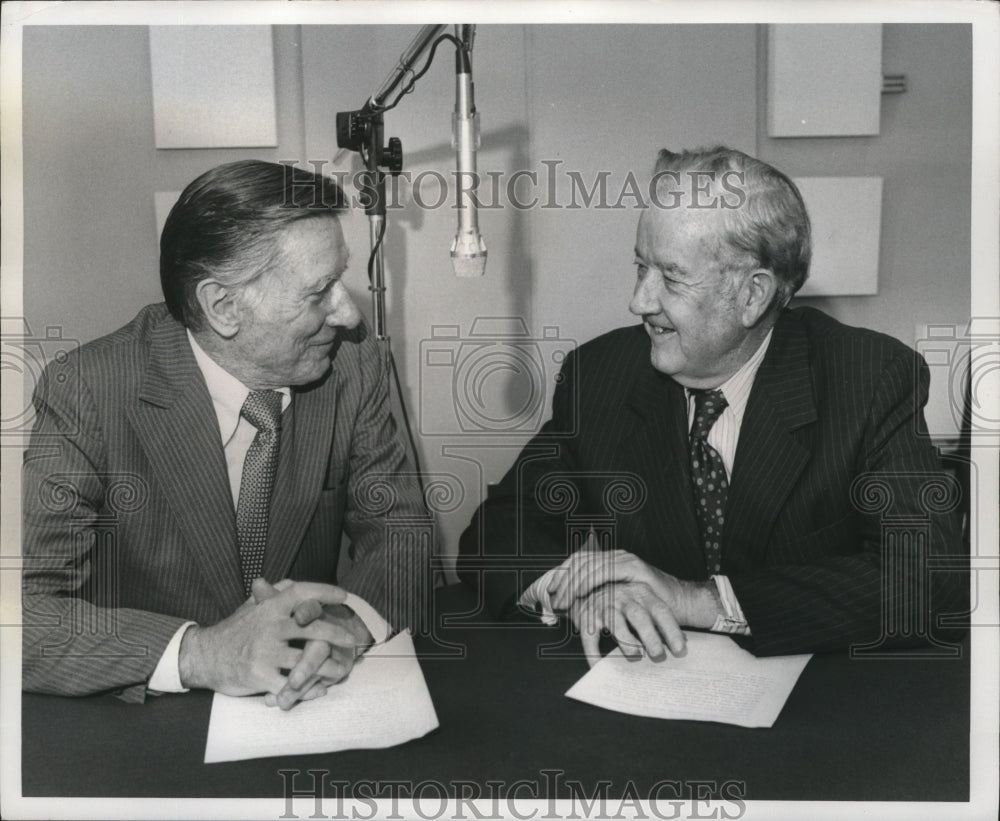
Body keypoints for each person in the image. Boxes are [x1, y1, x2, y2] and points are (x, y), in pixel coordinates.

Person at [457, 146, 967, 664]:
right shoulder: (602, 376)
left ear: (752, 295)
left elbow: (928, 584)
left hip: (820, 712)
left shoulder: (868, 379)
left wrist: (695, 599)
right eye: (640, 267)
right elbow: (497, 532)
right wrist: (587, 588)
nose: (639, 300)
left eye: (671, 277)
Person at [22, 160, 431, 707]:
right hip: (150, 716)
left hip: (305, 706)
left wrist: (350, 622)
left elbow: (398, 530)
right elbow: (21, 609)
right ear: (224, 307)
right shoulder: (88, 391)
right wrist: (202, 652)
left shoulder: (357, 366)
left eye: (342, 278)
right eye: (320, 292)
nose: (349, 315)